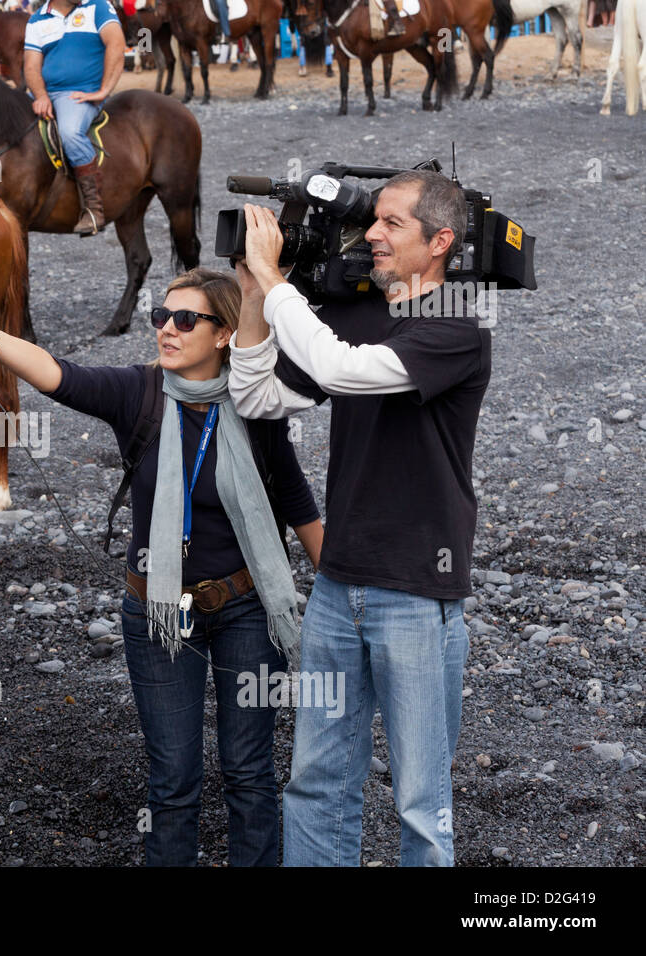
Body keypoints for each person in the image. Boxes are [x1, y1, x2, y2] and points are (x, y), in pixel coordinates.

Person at [0, 270, 323, 866]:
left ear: (224, 335)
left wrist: (349, 592)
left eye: (185, 320)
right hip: (156, 610)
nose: (166, 328)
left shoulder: (256, 401)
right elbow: (56, 373)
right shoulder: (137, 392)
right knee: (172, 779)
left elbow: (295, 500)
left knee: (249, 771)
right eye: (160, 317)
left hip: (245, 608)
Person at [229, 170, 488, 866]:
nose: (371, 233)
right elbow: (256, 397)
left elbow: (344, 373)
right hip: (338, 586)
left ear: (439, 242)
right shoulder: (354, 318)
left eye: (392, 224)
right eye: (372, 219)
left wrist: (276, 282)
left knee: (420, 801)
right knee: (316, 782)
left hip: (416, 591)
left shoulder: (459, 326)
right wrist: (255, 299)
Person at [24, 0, 124, 236]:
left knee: (69, 132)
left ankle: (93, 208)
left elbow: (117, 45)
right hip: (43, 93)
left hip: (79, 93)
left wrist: (103, 91)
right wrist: (40, 96)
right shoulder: (37, 19)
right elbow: (31, 65)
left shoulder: (98, 7)